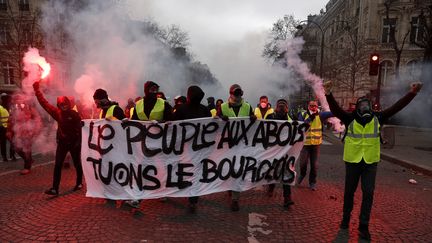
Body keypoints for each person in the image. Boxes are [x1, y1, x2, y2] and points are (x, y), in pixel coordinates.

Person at [324, 80, 423, 240]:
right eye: (362, 105)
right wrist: (328, 94)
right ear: (357, 107)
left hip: (370, 161)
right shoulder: (350, 118)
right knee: (349, 192)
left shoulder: (378, 117)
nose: (364, 108)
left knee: (368, 193)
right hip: (353, 160)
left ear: (370, 106)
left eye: (366, 105)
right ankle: (345, 220)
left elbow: (397, 107)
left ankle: (364, 226)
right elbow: (336, 110)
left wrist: (412, 93)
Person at [33, 81, 83, 195]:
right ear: (59, 105)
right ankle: (55, 188)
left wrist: (79, 142)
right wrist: (37, 91)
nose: (64, 106)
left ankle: (79, 182)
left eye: (65, 104)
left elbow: (80, 130)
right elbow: (44, 103)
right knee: (58, 164)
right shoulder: (57, 113)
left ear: (68, 104)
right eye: (61, 104)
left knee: (77, 163)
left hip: (74, 143)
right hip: (62, 143)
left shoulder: (74, 114)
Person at [217, 84, 256, 211]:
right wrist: (219, 118)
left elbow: (254, 123)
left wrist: (254, 118)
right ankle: (230, 187)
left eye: (239, 93)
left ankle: (235, 199)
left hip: (242, 144)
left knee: (237, 170)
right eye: (235, 93)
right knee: (228, 169)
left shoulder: (247, 106)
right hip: (227, 144)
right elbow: (212, 123)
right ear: (230, 94)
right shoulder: (222, 107)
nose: (238, 96)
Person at [173, 86, 211, 213]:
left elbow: (172, 125)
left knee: (185, 171)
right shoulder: (204, 109)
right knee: (194, 173)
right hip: (197, 148)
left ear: (188, 96)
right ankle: (192, 200)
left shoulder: (181, 109)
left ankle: (190, 197)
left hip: (185, 147)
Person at [297, 100, 333, 191]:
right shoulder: (303, 114)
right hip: (305, 144)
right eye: (311, 105)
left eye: (315, 106)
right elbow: (301, 125)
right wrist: (310, 118)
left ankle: (312, 182)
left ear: (317, 107)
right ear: (308, 106)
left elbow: (332, 113)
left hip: (316, 145)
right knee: (303, 163)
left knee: (314, 165)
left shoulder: (320, 115)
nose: (313, 107)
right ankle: (302, 174)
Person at [267, 99, 295, 207]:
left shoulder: (291, 118)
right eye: (280, 106)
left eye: (284, 106)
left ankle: (287, 198)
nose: (282, 108)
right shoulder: (270, 117)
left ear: (287, 108)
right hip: (273, 149)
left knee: (286, 172)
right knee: (273, 170)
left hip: (285, 150)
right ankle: (271, 186)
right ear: (276, 107)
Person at [7, 94, 42, 175]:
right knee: (16, 148)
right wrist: (8, 130)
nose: (17, 102)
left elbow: (37, 119)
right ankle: (29, 160)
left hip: (28, 132)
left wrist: (35, 130)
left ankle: (27, 166)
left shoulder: (29, 108)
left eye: (18, 99)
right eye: (15, 100)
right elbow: (10, 120)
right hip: (18, 132)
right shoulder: (14, 109)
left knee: (27, 149)